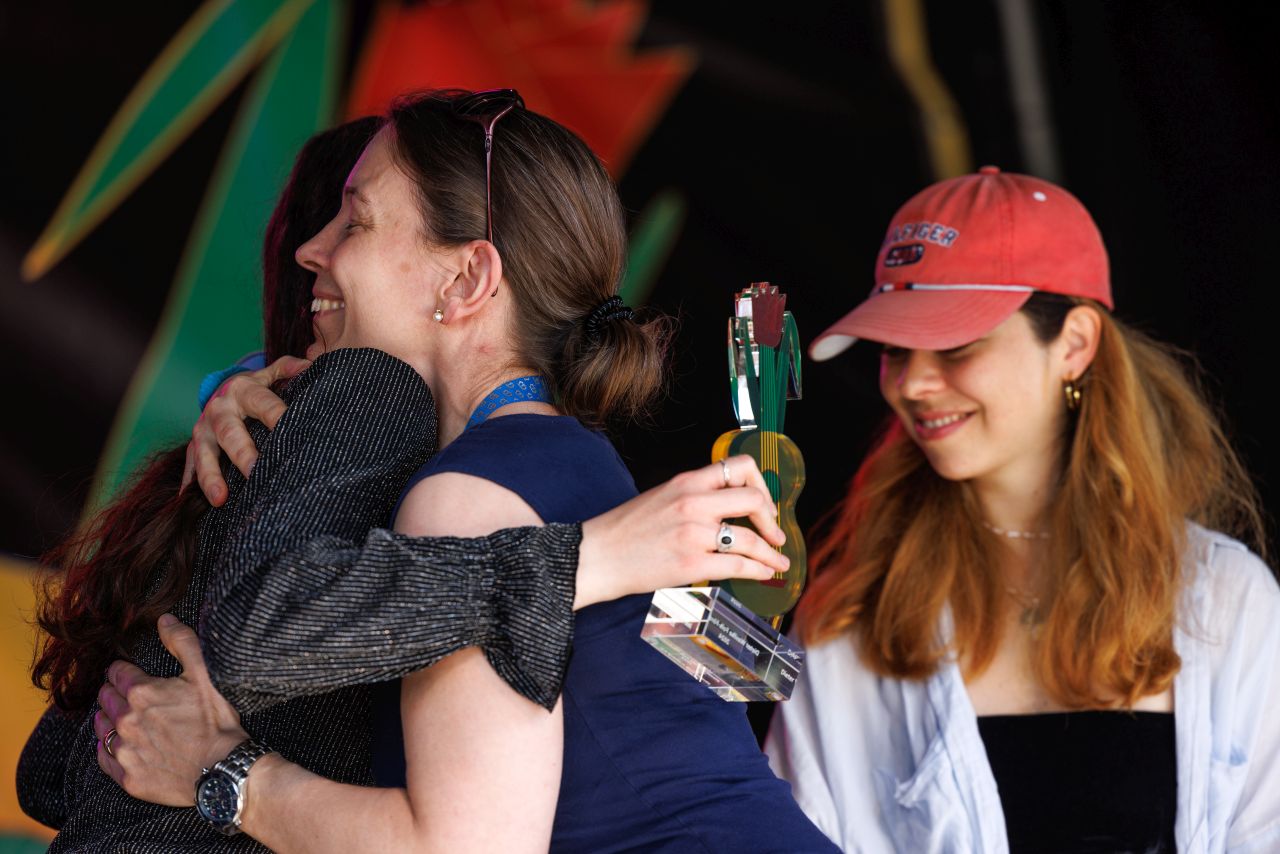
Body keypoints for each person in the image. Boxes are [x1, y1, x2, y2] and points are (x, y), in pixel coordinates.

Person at [19, 103, 790, 851]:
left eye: (355, 221)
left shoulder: (468, 497)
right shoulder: (589, 466)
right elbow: (741, 697)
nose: (311, 251)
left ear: (465, 281)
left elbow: (466, 845)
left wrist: (220, 772)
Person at [764, 166, 1280, 852]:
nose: (912, 384)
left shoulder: (1223, 597)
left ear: (1074, 345)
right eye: (893, 349)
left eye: (954, 344)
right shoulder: (850, 617)